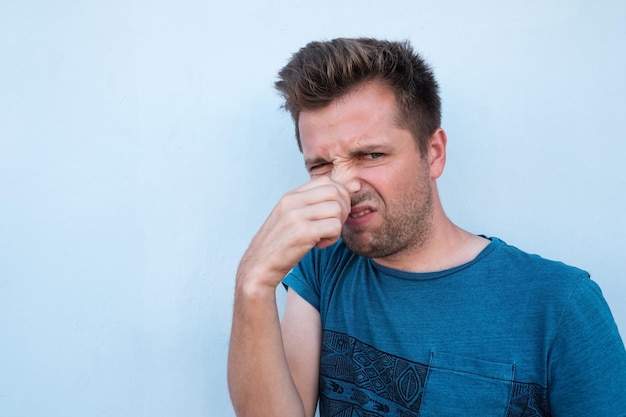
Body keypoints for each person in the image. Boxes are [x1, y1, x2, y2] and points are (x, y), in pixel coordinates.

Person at [227, 37, 626, 417]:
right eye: (321, 165)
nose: (343, 185)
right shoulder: (324, 264)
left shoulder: (559, 305)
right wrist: (254, 282)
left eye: (371, 154)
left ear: (433, 154)